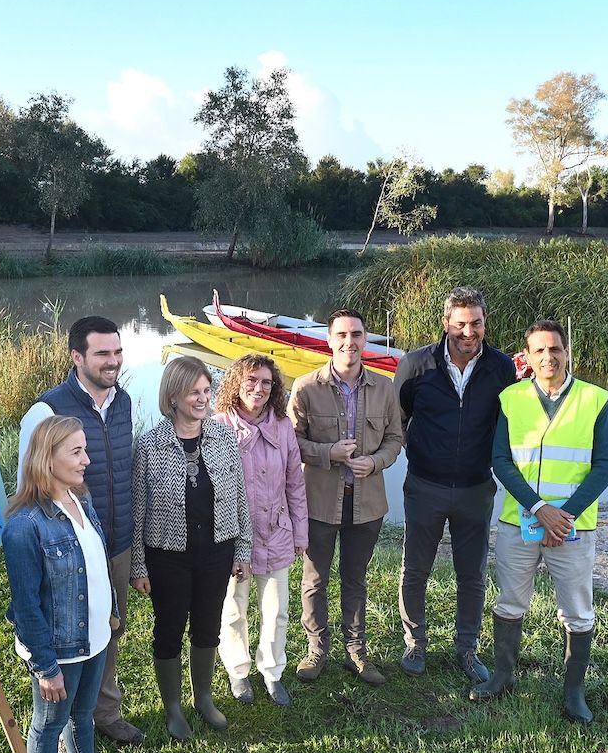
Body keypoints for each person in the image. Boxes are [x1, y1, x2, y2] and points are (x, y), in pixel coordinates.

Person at [470, 319, 608, 725]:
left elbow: (604, 467)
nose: (548, 357)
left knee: (577, 611)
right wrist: (539, 509)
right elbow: (502, 461)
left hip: (572, 528)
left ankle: (573, 694)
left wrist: (562, 517)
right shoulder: (511, 399)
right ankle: (502, 677)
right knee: (510, 602)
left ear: (567, 352)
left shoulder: (595, 400)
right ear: (528, 358)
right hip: (521, 522)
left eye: (555, 349)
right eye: (539, 351)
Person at [18, 317, 142, 746]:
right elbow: (28, 486)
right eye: (102, 353)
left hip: (117, 539)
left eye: (118, 352)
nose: (113, 362)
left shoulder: (124, 401)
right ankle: (60, 734)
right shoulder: (48, 410)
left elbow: (127, 472)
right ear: (77, 357)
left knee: (108, 629)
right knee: (66, 638)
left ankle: (103, 712)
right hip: (65, 546)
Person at [393, 286, 517, 682]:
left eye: (476, 323)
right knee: (415, 570)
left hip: (476, 487)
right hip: (424, 485)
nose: (469, 331)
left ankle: (467, 649)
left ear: (485, 323)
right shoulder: (415, 365)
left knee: (473, 573)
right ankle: (415, 643)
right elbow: (400, 418)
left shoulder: (501, 368)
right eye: (460, 323)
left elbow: (505, 425)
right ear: (446, 323)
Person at [2, 416, 125, 753]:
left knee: (83, 715)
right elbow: (25, 607)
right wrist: (45, 667)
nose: (87, 459)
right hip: (60, 649)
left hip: (95, 638)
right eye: (76, 451)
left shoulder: (80, 499)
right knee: (49, 724)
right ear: (47, 459)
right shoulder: (25, 526)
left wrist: (111, 612)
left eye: (85, 448)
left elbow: (95, 562)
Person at [130, 355, 252, 740]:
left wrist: (242, 549)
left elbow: (238, 497)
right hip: (167, 556)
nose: (202, 399)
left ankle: (203, 698)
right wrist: (138, 565)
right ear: (173, 396)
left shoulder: (222, 437)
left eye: (206, 390)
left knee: (207, 626)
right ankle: (172, 708)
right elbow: (137, 510)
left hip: (217, 550)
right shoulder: (149, 445)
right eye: (193, 392)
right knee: (168, 630)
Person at [288, 308, 404, 686]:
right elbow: (291, 443)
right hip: (319, 501)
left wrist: (374, 462)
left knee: (356, 579)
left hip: (367, 504)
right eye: (341, 335)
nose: (349, 342)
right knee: (314, 580)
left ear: (365, 339)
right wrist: (327, 454)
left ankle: (356, 652)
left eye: (356, 334)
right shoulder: (305, 387)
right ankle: (316, 650)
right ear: (329, 339)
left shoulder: (386, 388)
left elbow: (395, 440)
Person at [212, 354, 308, 707]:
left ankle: (272, 672)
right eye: (251, 380)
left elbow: (295, 483)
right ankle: (238, 672)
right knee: (234, 609)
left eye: (266, 382)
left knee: (277, 610)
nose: (258, 388)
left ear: (274, 387)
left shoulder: (283, 425)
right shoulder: (219, 425)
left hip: (277, 532)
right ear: (237, 383)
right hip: (234, 538)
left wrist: (300, 533)